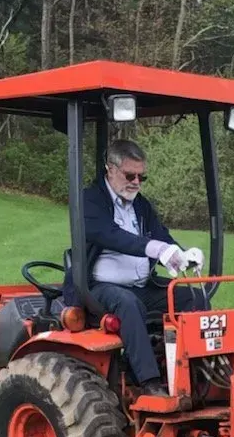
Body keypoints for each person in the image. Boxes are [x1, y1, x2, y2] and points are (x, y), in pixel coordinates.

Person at [66, 138, 207, 396]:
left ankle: (199, 374)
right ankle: (150, 384)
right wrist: (155, 249)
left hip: (141, 285)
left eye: (142, 177)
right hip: (96, 288)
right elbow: (110, 235)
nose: (136, 182)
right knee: (128, 304)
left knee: (191, 297)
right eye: (130, 175)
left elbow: (160, 235)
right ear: (110, 168)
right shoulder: (89, 200)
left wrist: (182, 254)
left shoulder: (141, 205)